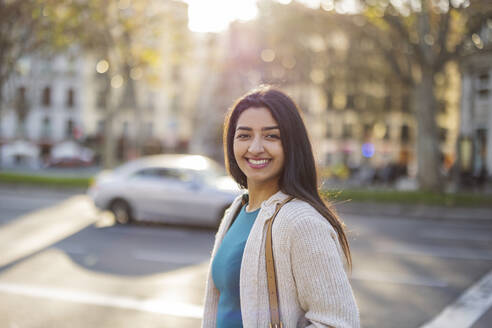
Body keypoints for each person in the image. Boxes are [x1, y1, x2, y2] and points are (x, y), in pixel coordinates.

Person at [202, 86, 360, 328]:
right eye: (244, 135)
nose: (255, 148)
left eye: (271, 136)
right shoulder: (236, 210)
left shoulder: (302, 221)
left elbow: (337, 323)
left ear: (291, 145)